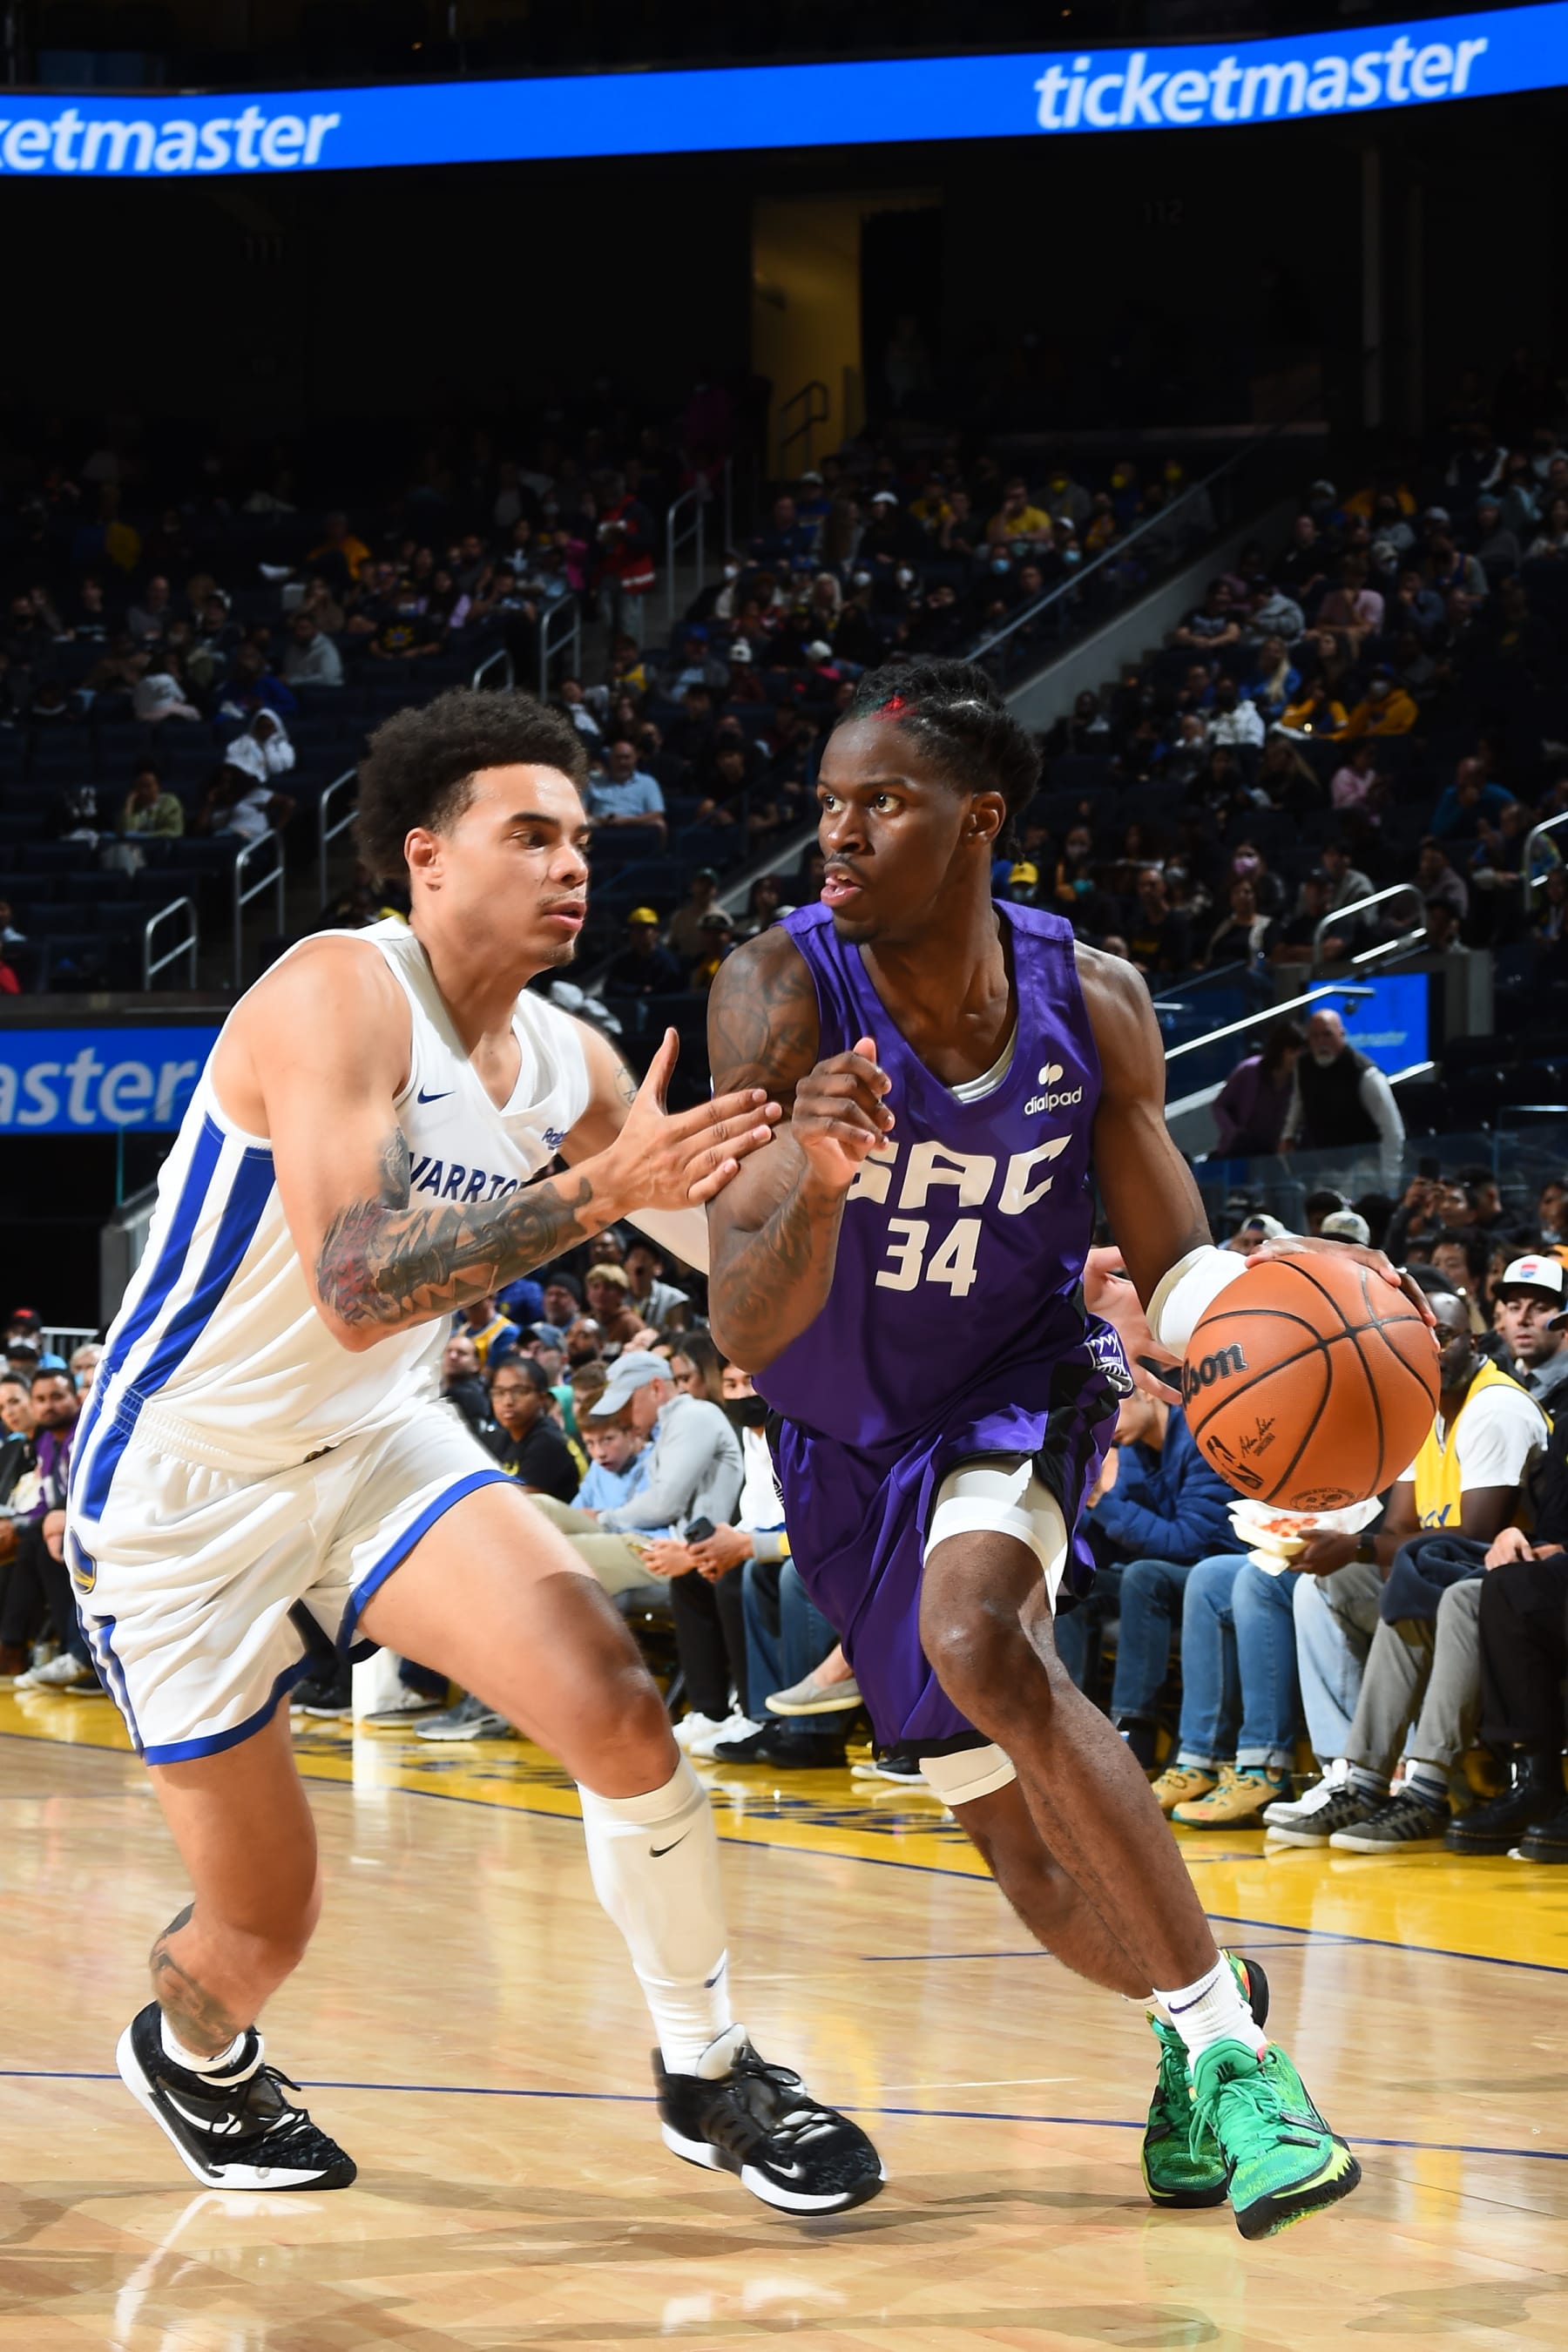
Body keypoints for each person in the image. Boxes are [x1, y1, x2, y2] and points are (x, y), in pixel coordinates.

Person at [66, 686, 881, 2216]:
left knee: (617, 1707)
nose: (572, 864)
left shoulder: (568, 1062)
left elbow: (734, 1270)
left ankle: (708, 2067)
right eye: (531, 835)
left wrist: (820, 1193)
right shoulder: (336, 992)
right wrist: (603, 1193)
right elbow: (357, 1283)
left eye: (581, 841)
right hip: (184, 1486)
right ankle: (193, 2055)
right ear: (426, 856)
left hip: (375, 1444)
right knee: (261, 1930)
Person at [704, 655, 1395, 2238]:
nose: (839, 834)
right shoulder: (777, 990)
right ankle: (1196, 2010)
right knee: (1028, 1867)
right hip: (838, 1438)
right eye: (828, 805)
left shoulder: (1095, 1001)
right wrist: (813, 1172)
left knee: (983, 1637)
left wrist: (1276, 1332)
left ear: (980, 819)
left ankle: (1243, 2072)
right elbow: (744, 1320)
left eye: (884, 803)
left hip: (1019, 1382)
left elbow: (1176, 1267)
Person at [1267, 1286, 1547, 1853]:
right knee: (1329, 1582)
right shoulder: (1421, 1406)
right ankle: (1357, 1779)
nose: (1431, 1349)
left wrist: (1362, 1547)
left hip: (1510, 1587)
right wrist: (1363, 1554)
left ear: (1474, 1341)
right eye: (1416, 1337)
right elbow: (1398, 1526)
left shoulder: (1496, 1408)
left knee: (1434, 1587)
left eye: (1443, 1336)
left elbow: (1477, 1537)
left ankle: (1425, 1789)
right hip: (1447, 1573)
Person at [1280, 1009, 1404, 1192]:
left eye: (1327, 1035)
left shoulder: (1365, 1074)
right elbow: (1298, 1101)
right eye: (1314, 1036)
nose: (1321, 1042)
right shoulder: (1304, 1065)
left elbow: (1392, 1130)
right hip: (1326, 1164)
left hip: (1363, 1165)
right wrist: (1288, 1135)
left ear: (1342, 1034)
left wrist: (1390, 1182)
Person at [487, 1357, 578, 1502]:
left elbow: (518, 1503)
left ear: (542, 1397)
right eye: (499, 1392)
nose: (508, 1401)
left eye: (519, 1391)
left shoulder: (548, 1442)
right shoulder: (502, 1437)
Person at [1211, 1021, 1306, 1158]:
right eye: (1293, 1051)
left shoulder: (1298, 1081)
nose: (1297, 1058)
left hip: (1274, 1155)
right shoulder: (1249, 1070)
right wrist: (1234, 1133)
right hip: (1240, 1150)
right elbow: (1219, 1106)